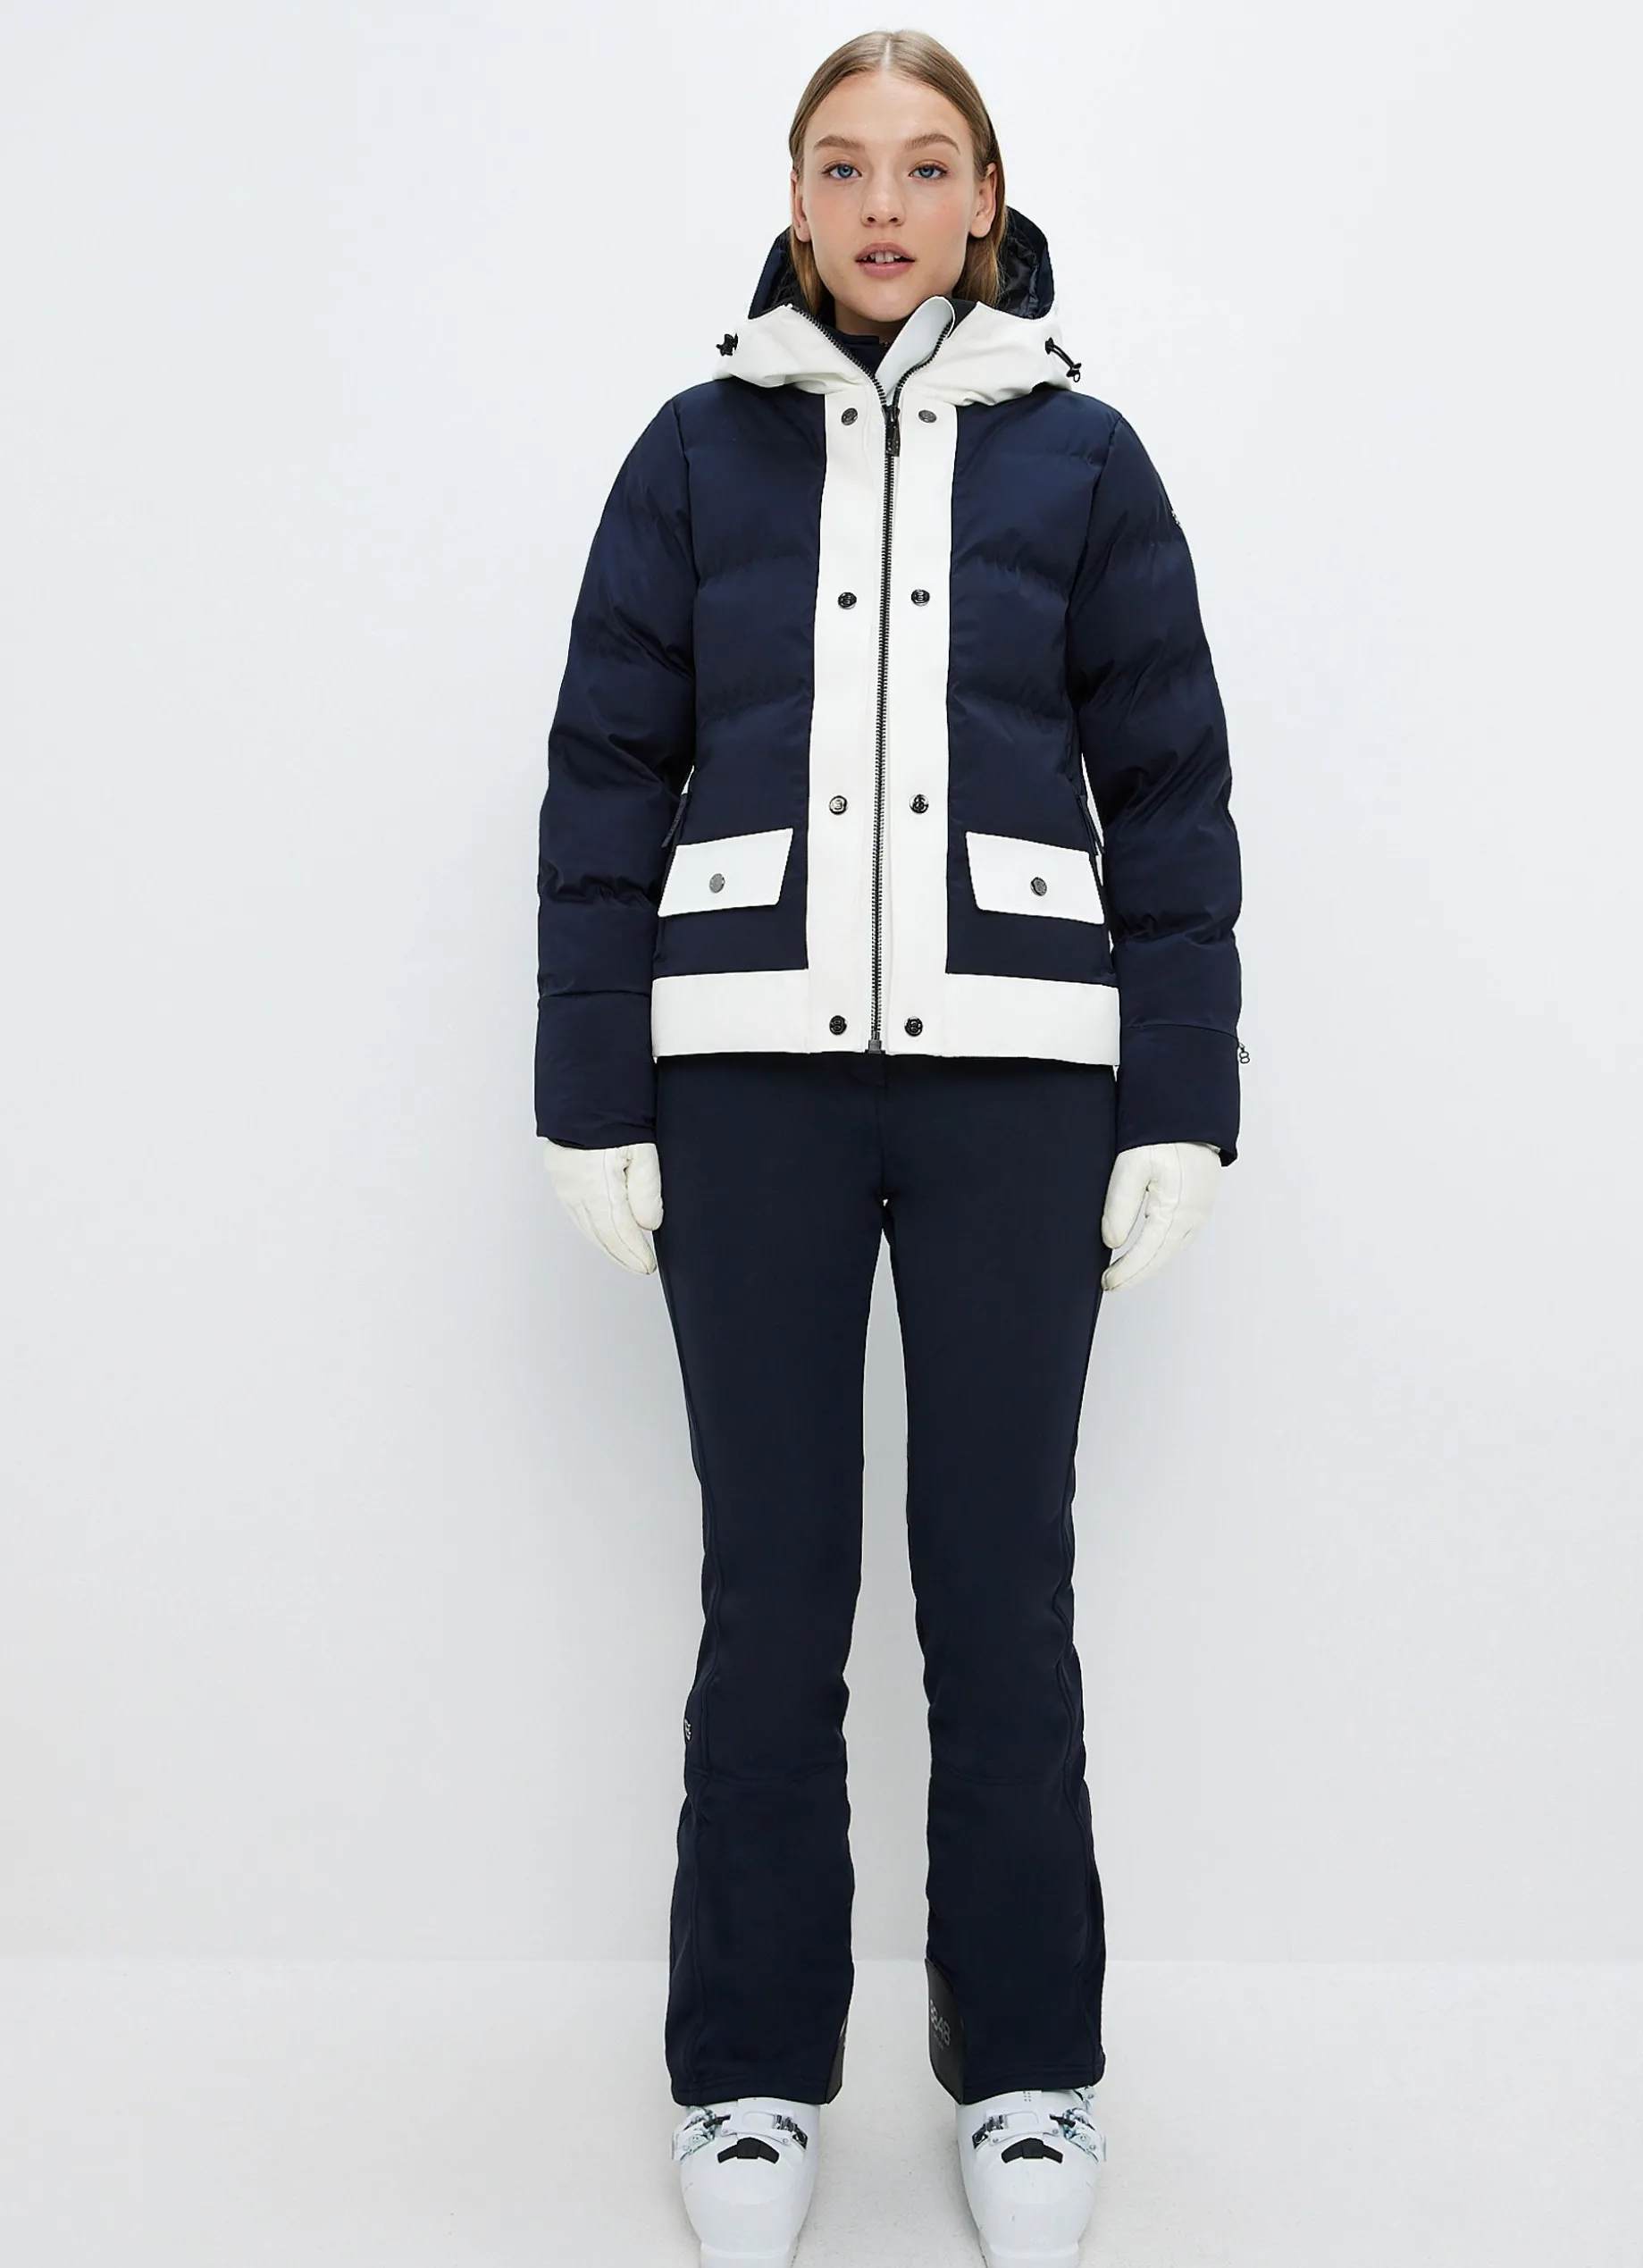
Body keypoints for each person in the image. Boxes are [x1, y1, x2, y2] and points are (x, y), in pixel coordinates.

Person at [533, 29, 1243, 2268]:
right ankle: (748, 2079)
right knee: (771, 1596)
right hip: (743, 1078)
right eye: (842, 167)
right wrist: (590, 1089)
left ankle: (1028, 2075)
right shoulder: (691, 455)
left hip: (1018, 1083)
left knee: (999, 1592)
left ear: (984, 199)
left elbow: (1173, 795)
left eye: (924, 167)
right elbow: (601, 782)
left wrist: (1182, 1096)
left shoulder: (1085, 460)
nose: (881, 205)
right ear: (794, 198)